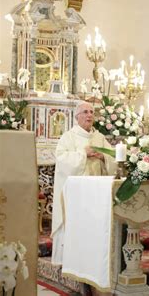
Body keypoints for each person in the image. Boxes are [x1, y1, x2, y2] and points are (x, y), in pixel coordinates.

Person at [51, 101, 116, 265]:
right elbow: (61, 159)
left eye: (91, 112)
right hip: (76, 194)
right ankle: (70, 260)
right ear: (77, 117)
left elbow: (113, 158)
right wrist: (83, 153)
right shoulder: (68, 137)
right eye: (85, 112)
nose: (89, 115)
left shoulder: (99, 137)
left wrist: (104, 157)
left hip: (97, 191)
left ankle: (92, 260)